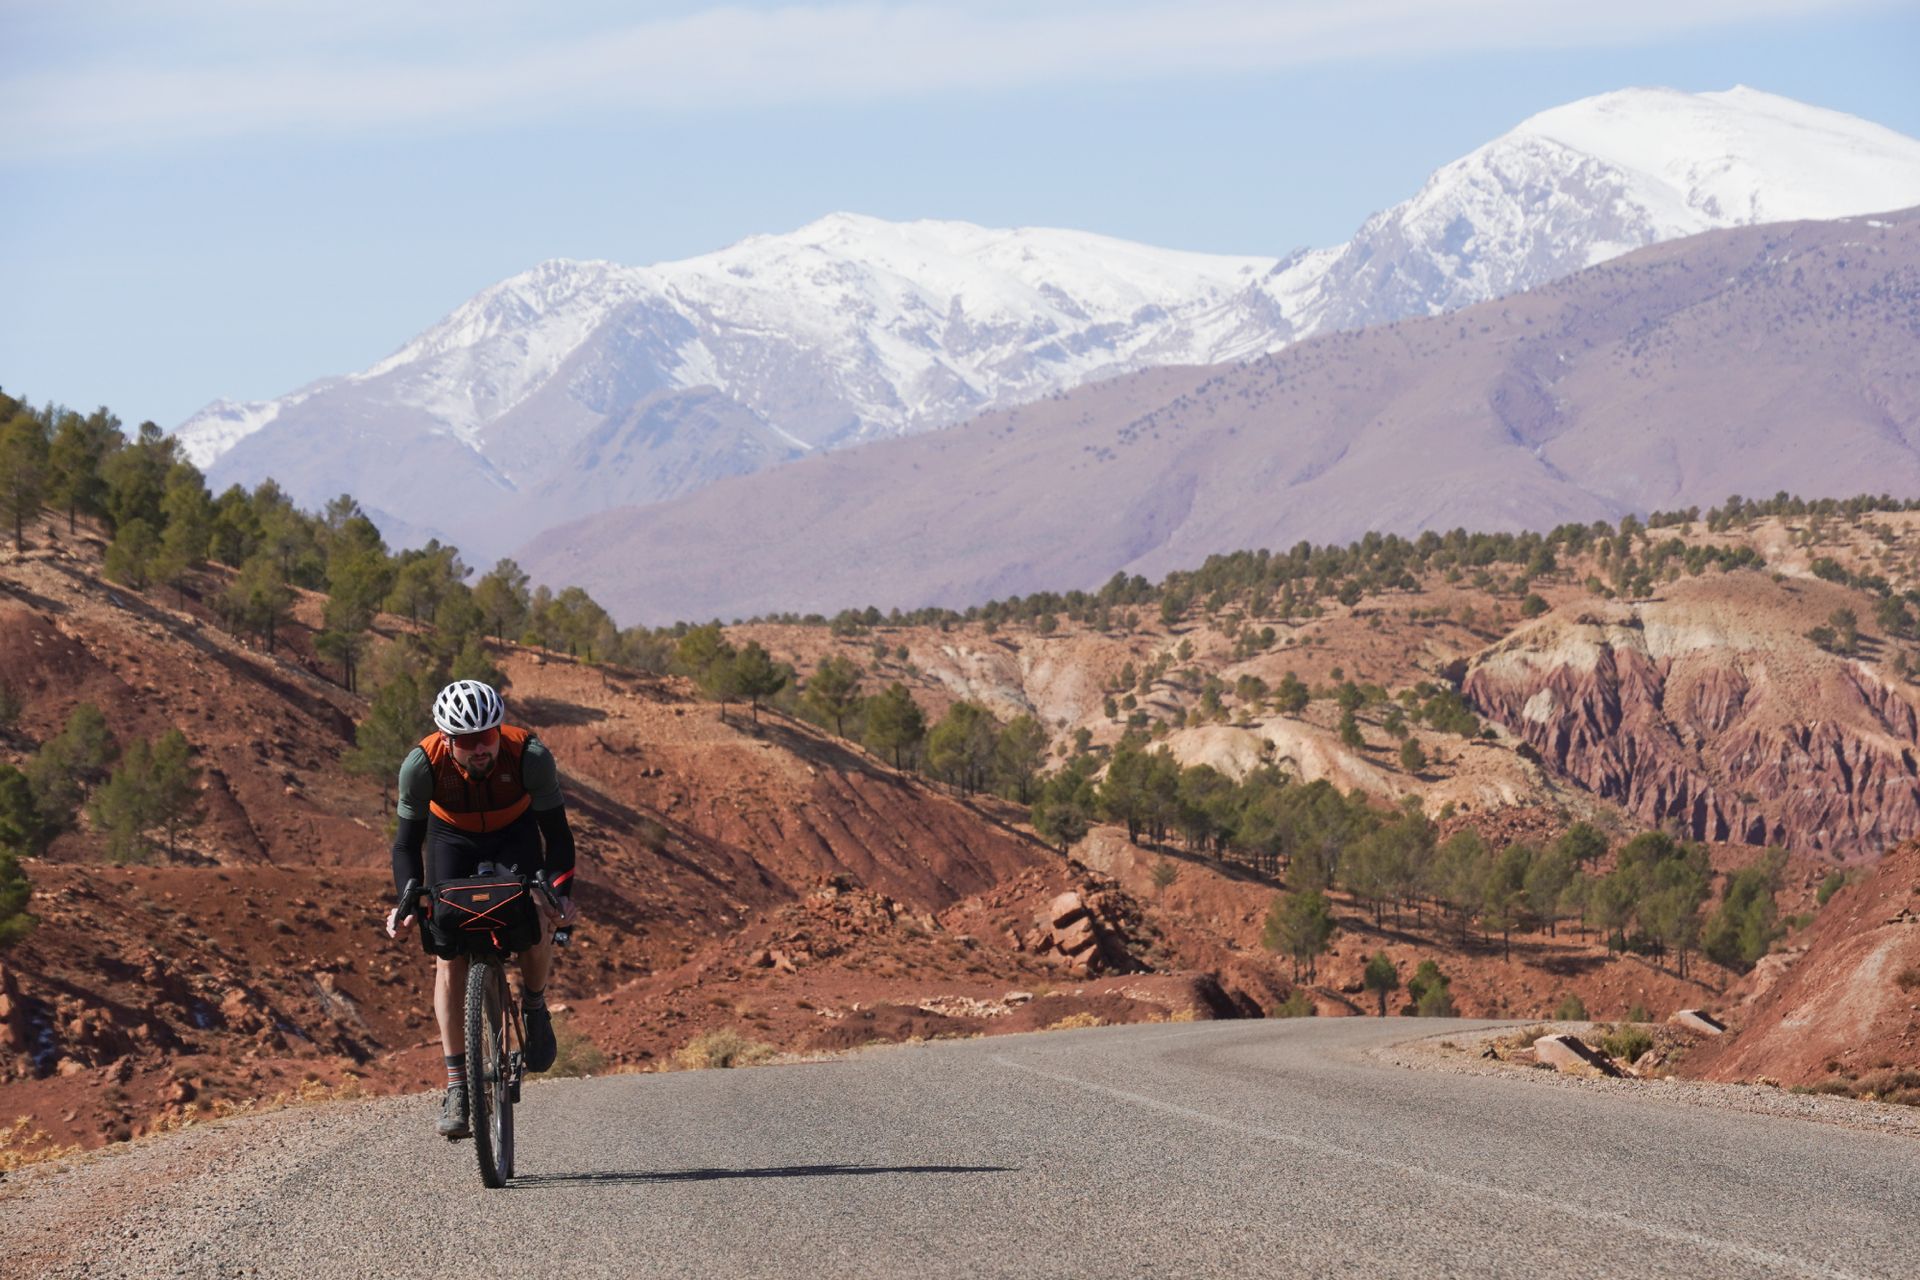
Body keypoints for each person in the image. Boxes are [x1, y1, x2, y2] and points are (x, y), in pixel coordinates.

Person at [385, 678, 580, 1139]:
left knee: (537, 912)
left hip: (515, 831)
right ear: (446, 739)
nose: (480, 749)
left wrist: (561, 893)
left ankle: (534, 1006)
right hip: (451, 837)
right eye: (468, 741)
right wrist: (407, 900)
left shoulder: (529, 756)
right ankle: (457, 1085)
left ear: (499, 730)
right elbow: (405, 845)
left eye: (487, 737)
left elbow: (558, 834)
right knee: (446, 957)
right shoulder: (421, 765)